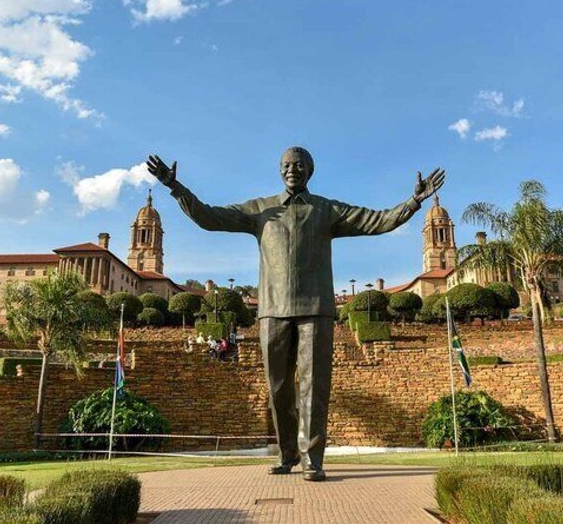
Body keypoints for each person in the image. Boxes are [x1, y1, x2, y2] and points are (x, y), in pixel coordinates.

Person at [147, 147, 443, 481]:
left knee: (315, 388)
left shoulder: (326, 209)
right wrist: (175, 187)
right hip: (272, 310)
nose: (293, 170)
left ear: (310, 171)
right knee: (278, 389)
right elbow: (208, 217)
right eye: (287, 165)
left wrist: (413, 202)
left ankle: (312, 458)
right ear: (279, 171)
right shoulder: (261, 209)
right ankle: (287, 454)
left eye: (299, 165)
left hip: (315, 310)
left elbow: (377, 221)